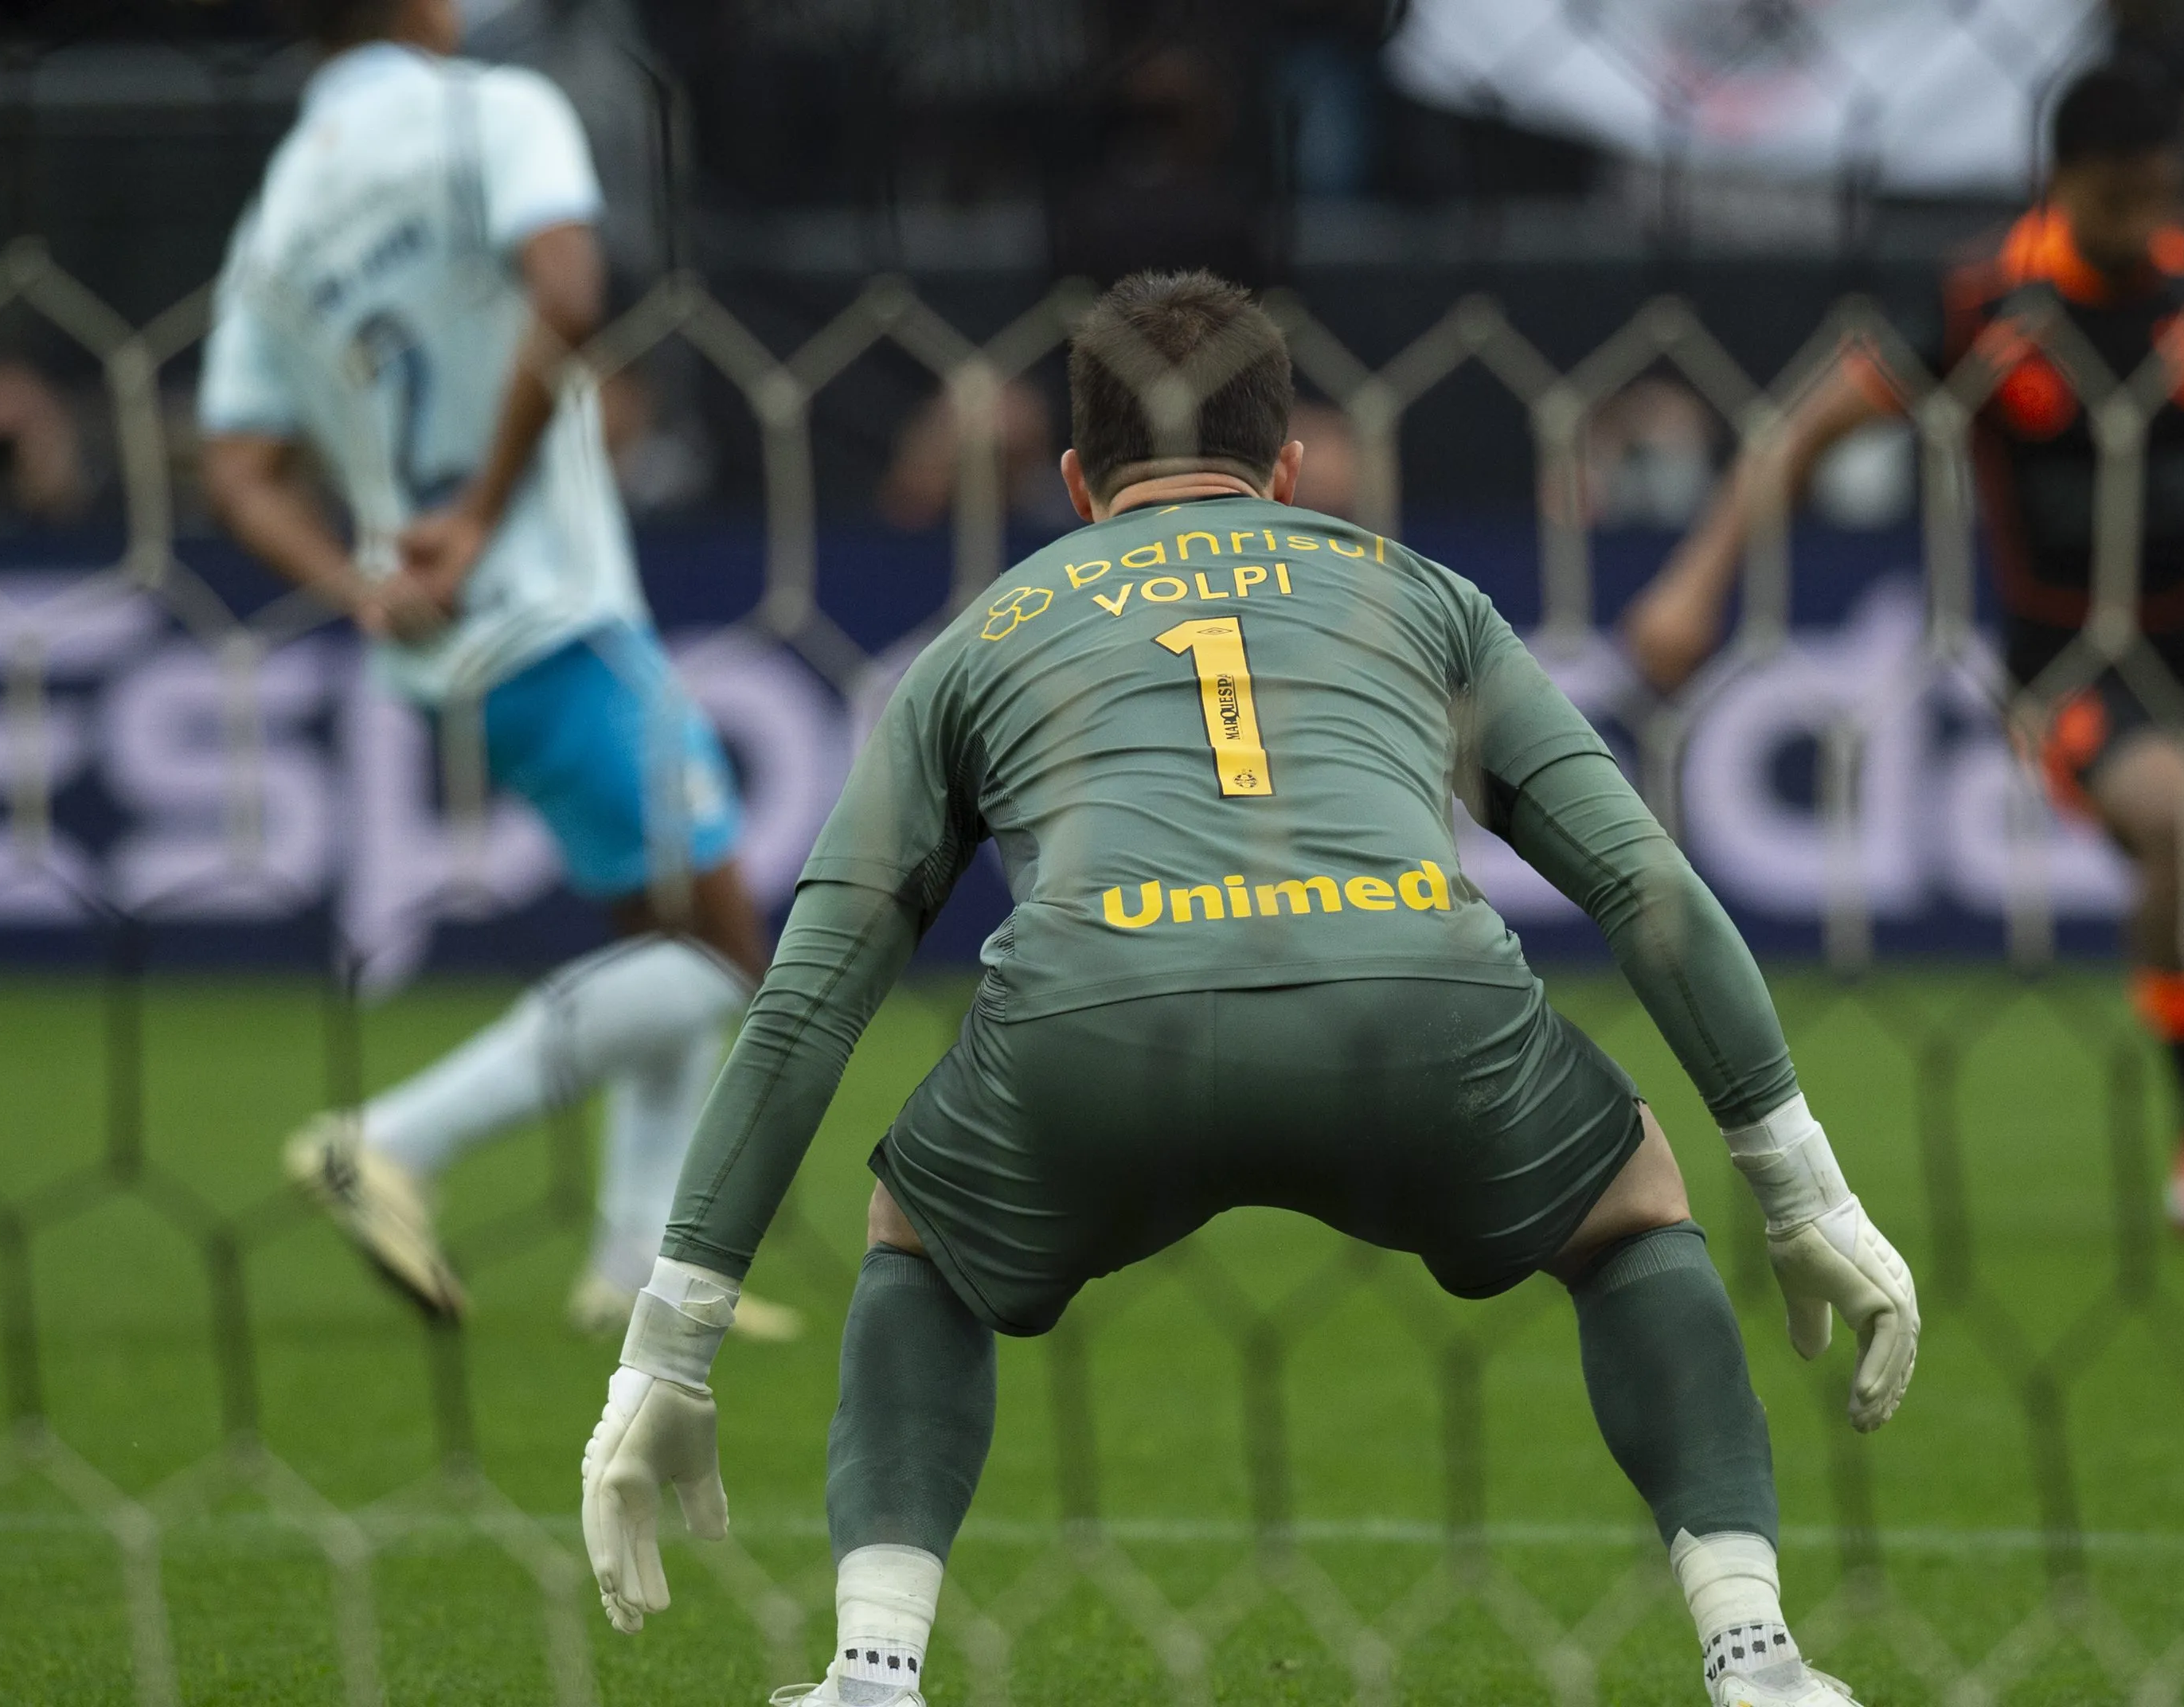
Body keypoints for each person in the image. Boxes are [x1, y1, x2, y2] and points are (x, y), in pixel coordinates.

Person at [574, 271, 1922, 1707]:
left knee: (920, 1229)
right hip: (1417, 1011)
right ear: (1286, 472)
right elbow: (1643, 885)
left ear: (1080, 483)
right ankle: (1754, 1658)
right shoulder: (1416, 592)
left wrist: (671, 1345)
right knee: (1632, 1197)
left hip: (1098, 1035)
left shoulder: (980, 634)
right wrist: (1802, 1193)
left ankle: (872, 1674)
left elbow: (805, 1000)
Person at [1623, 59, 2184, 1236]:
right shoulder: (1983, 309)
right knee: (2178, 813)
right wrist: (1693, 587)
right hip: (2074, 664)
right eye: (2120, 200)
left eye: (2162, 194)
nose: (2144, 222)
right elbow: (1798, 433)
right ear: (2063, 182)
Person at [196, 0, 794, 1342]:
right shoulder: (496, 115)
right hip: (550, 606)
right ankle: (389, 1138)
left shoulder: (277, 212)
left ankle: (638, 1263)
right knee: (732, 959)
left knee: (658, 932)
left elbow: (234, 467)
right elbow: (572, 293)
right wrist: (475, 514)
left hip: (446, 634)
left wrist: (357, 581)